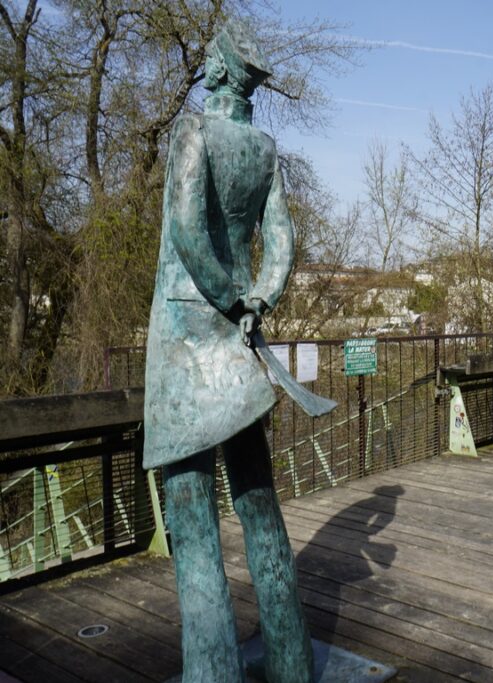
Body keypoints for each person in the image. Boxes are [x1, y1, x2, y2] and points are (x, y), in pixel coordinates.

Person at [143, 21, 313, 683]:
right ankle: (292, 659)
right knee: (258, 499)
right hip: (241, 343)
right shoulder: (263, 148)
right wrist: (256, 300)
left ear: (215, 71)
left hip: (189, 339)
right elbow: (283, 244)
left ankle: (212, 672)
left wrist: (223, 297)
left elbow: (187, 231)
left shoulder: (193, 133)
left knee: (190, 516)